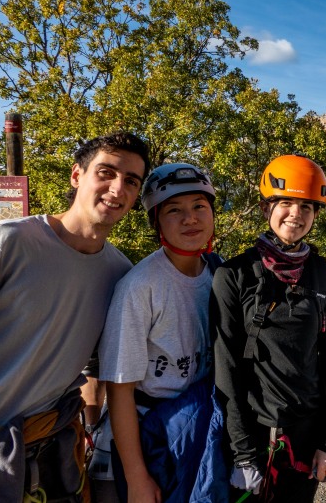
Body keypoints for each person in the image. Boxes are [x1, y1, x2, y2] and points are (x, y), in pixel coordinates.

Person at [0, 132, 150, 502]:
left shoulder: (120, 273)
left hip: (47, 449)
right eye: (106, 172)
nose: (118, 188)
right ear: (76, 176)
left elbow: (98, 364)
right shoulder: (11, 243)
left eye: (131, 181)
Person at [211, 154, 326, 501]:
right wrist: (241, 452)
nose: (296, 215)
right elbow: (226, 366)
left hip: (305, 435)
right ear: (266, 207)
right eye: (285, 203)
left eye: (306, 207)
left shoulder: (325, 276)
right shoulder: (235, 275)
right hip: (253, 432)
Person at [97, 163, 223, 502]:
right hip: (151, 432)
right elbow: (119, 389)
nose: (190, 218)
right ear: (156, 223)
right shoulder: (140, 288)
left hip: (197, 425)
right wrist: (137, 477)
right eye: (174, 211)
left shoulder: (218, 273)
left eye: (199, 206)